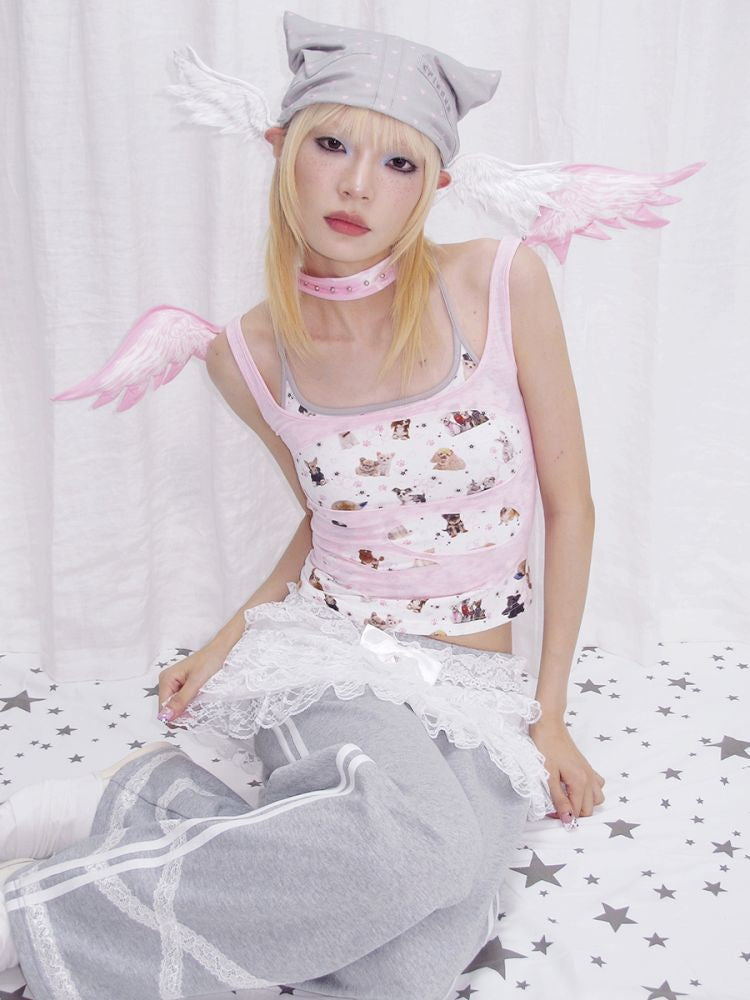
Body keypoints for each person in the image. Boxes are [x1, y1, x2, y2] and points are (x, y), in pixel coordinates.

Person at [1, 12, 605, 999]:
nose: (359, 185)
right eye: (331, 145)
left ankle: (144, 806)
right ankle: (26, 925)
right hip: (335, 652)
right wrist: (233, 639)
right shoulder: (246, 355)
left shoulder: (500, 282)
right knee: (413, 852)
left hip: (482, 687)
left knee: (407, 958)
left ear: (435, 183)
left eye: (399, 162)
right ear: (282, 147)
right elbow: (331, 521)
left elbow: (571, 506)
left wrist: (552, 714)